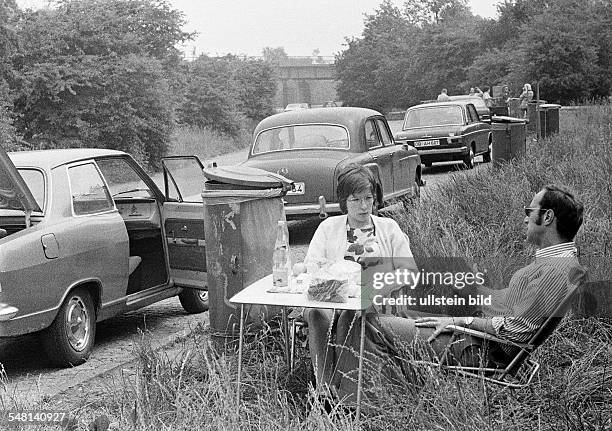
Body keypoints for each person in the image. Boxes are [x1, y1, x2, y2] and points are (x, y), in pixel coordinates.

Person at [319, 184, 586, 402]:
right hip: (479, 339)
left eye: (530, 210)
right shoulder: (560, 261)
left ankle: (353, 407)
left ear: (547, 217)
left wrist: (459, 321)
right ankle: (341, 394)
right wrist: (470, 288)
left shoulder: (556, 270)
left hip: (480, 348)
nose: (525, 217)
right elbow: (514, 305)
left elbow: (514, 330)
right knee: (358, 314)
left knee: (368, 323)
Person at [304, 163, 418, 395]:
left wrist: (380, 284)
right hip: (332, 297)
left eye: (368, 198)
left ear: (375, 198)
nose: (364, 206)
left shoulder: (388, 228)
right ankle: (323, 389)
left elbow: (410, 271)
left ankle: (342, 390)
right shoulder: (328, 228)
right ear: (344, 201)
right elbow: (310, 269)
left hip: (378, 301)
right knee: (316, 314)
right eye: (355, 200)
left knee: (352, 315)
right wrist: (337, 283)